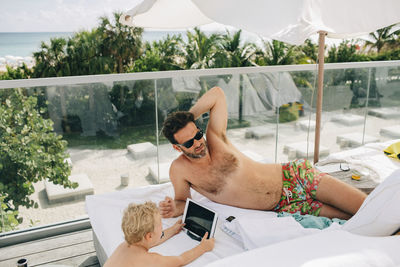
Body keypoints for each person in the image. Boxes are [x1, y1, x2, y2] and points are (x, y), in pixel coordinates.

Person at [159, 86, 367, 220]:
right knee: (356, 220)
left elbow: (217, 94)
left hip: (296, 178)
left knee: (366, 208)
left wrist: (186, 118)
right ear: (177, 148)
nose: (198, 143)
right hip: (288, 205)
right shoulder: (180, 170)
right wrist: (173, 209)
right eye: (189, 142)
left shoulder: (215, 138)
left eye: (197, 135)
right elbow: (182, 201)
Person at [104, 201, 215, 267]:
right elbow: (181, 260)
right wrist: (203, 247)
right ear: (149, 235)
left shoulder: (125, 245)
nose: (162, 227)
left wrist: (172, 230)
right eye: (160, 224)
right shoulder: (151, 260)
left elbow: (151, 241)